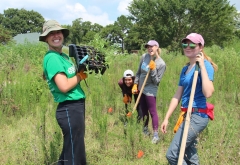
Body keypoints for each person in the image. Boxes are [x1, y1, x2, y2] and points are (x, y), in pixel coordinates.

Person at [161, 33, 218, 164]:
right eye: (185, 44)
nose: (188, 47)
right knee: (190, 157)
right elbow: (177, 95)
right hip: (186, 113)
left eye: (192, 44)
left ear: (200, 47)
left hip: (197, 115)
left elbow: (208, 93)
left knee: (173, 155)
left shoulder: (206, 66)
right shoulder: (185, 69)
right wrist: (166, 118)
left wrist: (202, 66)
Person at [40, 20, 87, 165]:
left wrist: (82, 67)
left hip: (76, 106)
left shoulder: (64, 57)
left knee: (71, 149)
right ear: (46, 38)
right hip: (69, 108)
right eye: (51, 33)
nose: (56, 36)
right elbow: (64, 86)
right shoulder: (52, 58)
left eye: (58, 32)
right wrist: (80, 76)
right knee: (75, 153)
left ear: (63, 35)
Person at [132, 40, 166, 144]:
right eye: (148, 47)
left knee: (152, 111)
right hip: (141, 87)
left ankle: (156, 135)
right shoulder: (144, 57)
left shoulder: (161, 64)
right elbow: (138, 72)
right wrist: (135, 84)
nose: (150, 48)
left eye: (152, 46)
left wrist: (153, 69)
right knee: (143, 110)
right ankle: (145, 130)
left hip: (151, 89)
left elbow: (156, 81)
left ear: (157, 47)